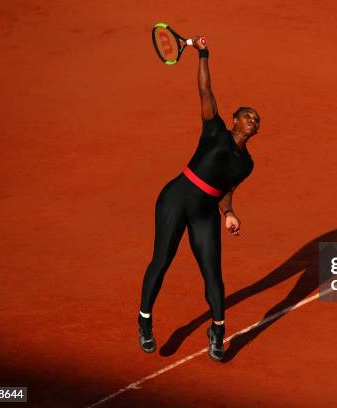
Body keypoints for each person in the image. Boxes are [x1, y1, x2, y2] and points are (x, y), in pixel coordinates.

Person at [137, 35, 260, 362]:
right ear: (234, 119)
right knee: (161, 261)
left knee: (213, 275)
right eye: (249, 116)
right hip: (176, 199)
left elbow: (225, 191)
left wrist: (229, 213)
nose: (254, 121)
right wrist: (203, 54)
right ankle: (145, 322)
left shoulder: (246, 164)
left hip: (206, 212)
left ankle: (217, 332)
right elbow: (205, 90)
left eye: (257, 120)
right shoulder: (214, 130)